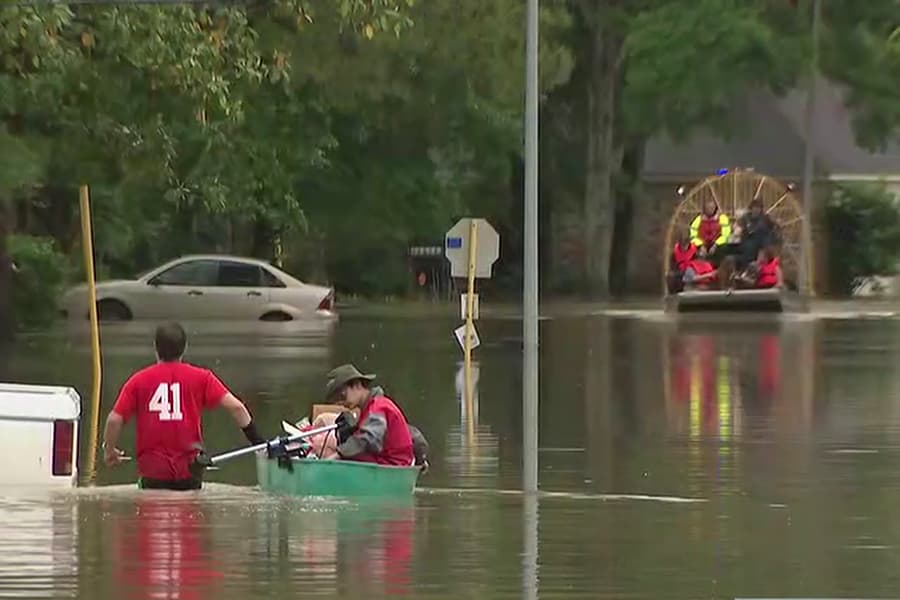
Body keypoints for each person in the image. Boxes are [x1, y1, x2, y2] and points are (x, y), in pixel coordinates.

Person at [102, 322, 267, 490]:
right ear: (185, 347)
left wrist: (109, 450)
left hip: (153, 474)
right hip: (189, 473)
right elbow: (237, 408)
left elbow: (115, 420)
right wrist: (259, 444)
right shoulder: (203, 377)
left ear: (155, 347)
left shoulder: (138, 381)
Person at [326, 364, 427, 467]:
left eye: (342, 395)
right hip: (386, 461)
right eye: (336, 399)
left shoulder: (379, 407)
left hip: (393, 466)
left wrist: (339, 454)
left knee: (344, 456)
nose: (340, 402)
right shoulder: (369, 409)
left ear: (357, 385)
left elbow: (369, 438)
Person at [737, 199, 778, 267]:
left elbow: (774, 226)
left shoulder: (765, 217)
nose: (756, 210)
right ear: (751, 208)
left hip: (762, 241)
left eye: (758, 208)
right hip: (749, 239)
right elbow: (739, 226)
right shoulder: (746, 217)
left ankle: (759, 262)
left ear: (761, 209)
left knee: (765, 238)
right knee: (750, 245)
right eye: (755, 208)